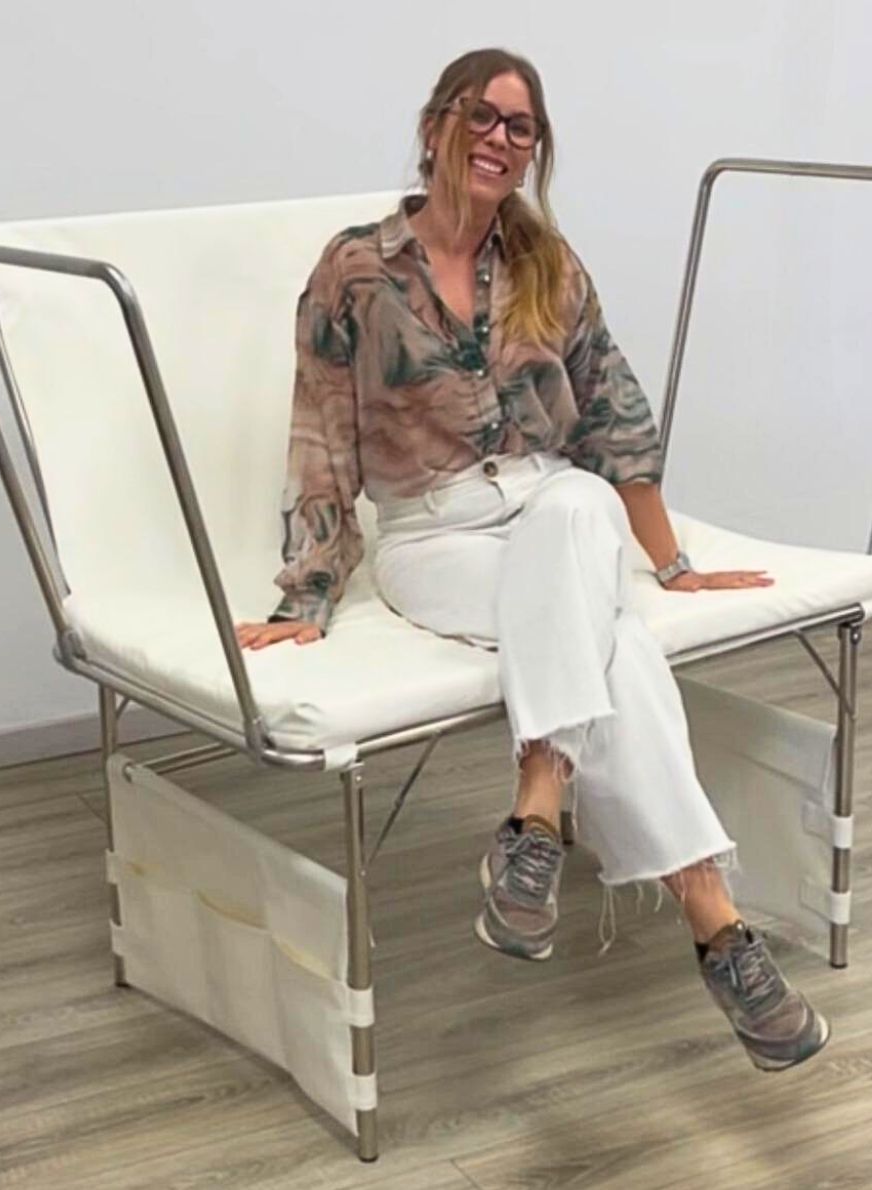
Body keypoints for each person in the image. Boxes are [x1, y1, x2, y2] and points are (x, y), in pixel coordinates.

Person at [233, 48, 828, 1072]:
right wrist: (310, 592)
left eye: (523, 127)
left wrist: (673, 564)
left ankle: (538, 816)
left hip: (555, 505)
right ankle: (716, 927)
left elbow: (614, 417)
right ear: (436, 126)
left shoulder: (549, 264)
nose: (502, 139)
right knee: (617, 649)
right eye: (484, 116)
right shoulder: (356, 269)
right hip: (433, 534)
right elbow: (321, 433)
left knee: (578, 504)